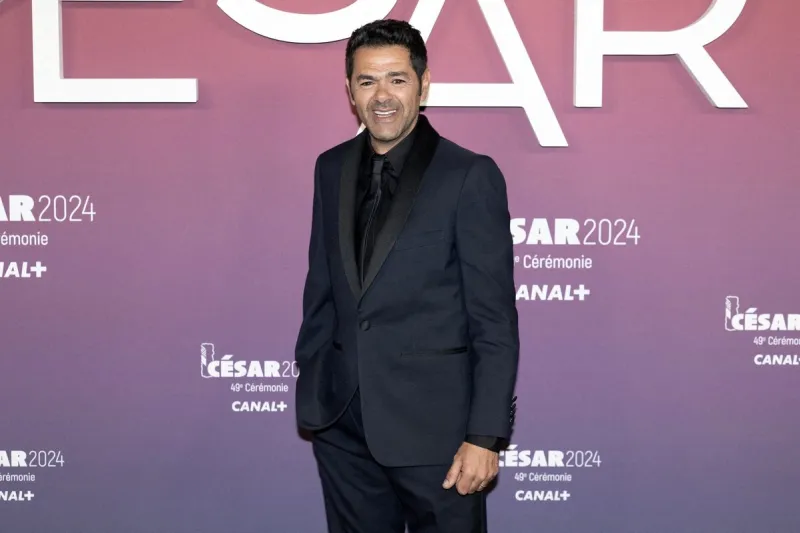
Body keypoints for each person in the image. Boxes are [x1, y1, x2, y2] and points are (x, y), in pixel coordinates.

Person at [294, 18, 519, 533]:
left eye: (397, 79)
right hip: (342, 425)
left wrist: (484, 435)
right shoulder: (330, 168)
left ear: (423, 84)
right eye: (367, 81)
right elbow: (322, 288)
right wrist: (315, 383)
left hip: (438, 434)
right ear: (349, 89)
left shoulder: (468, 175)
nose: (382, 96)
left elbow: (493, 319)